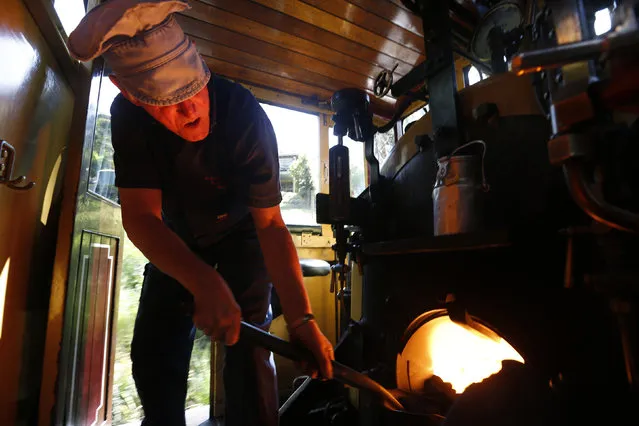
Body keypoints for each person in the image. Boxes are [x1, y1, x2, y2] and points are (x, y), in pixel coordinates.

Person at [67, 1, 334, 425]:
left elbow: (270, 224)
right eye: (168, 101)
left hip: (244, 233)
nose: (190, 108)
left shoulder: (244, 115)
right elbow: (140, 217)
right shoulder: (128, 119)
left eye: (194, 88)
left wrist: (303, 319)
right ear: (128, 92)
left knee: (251, 352)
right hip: (176, 234)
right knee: (154, 352)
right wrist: (203, 280)